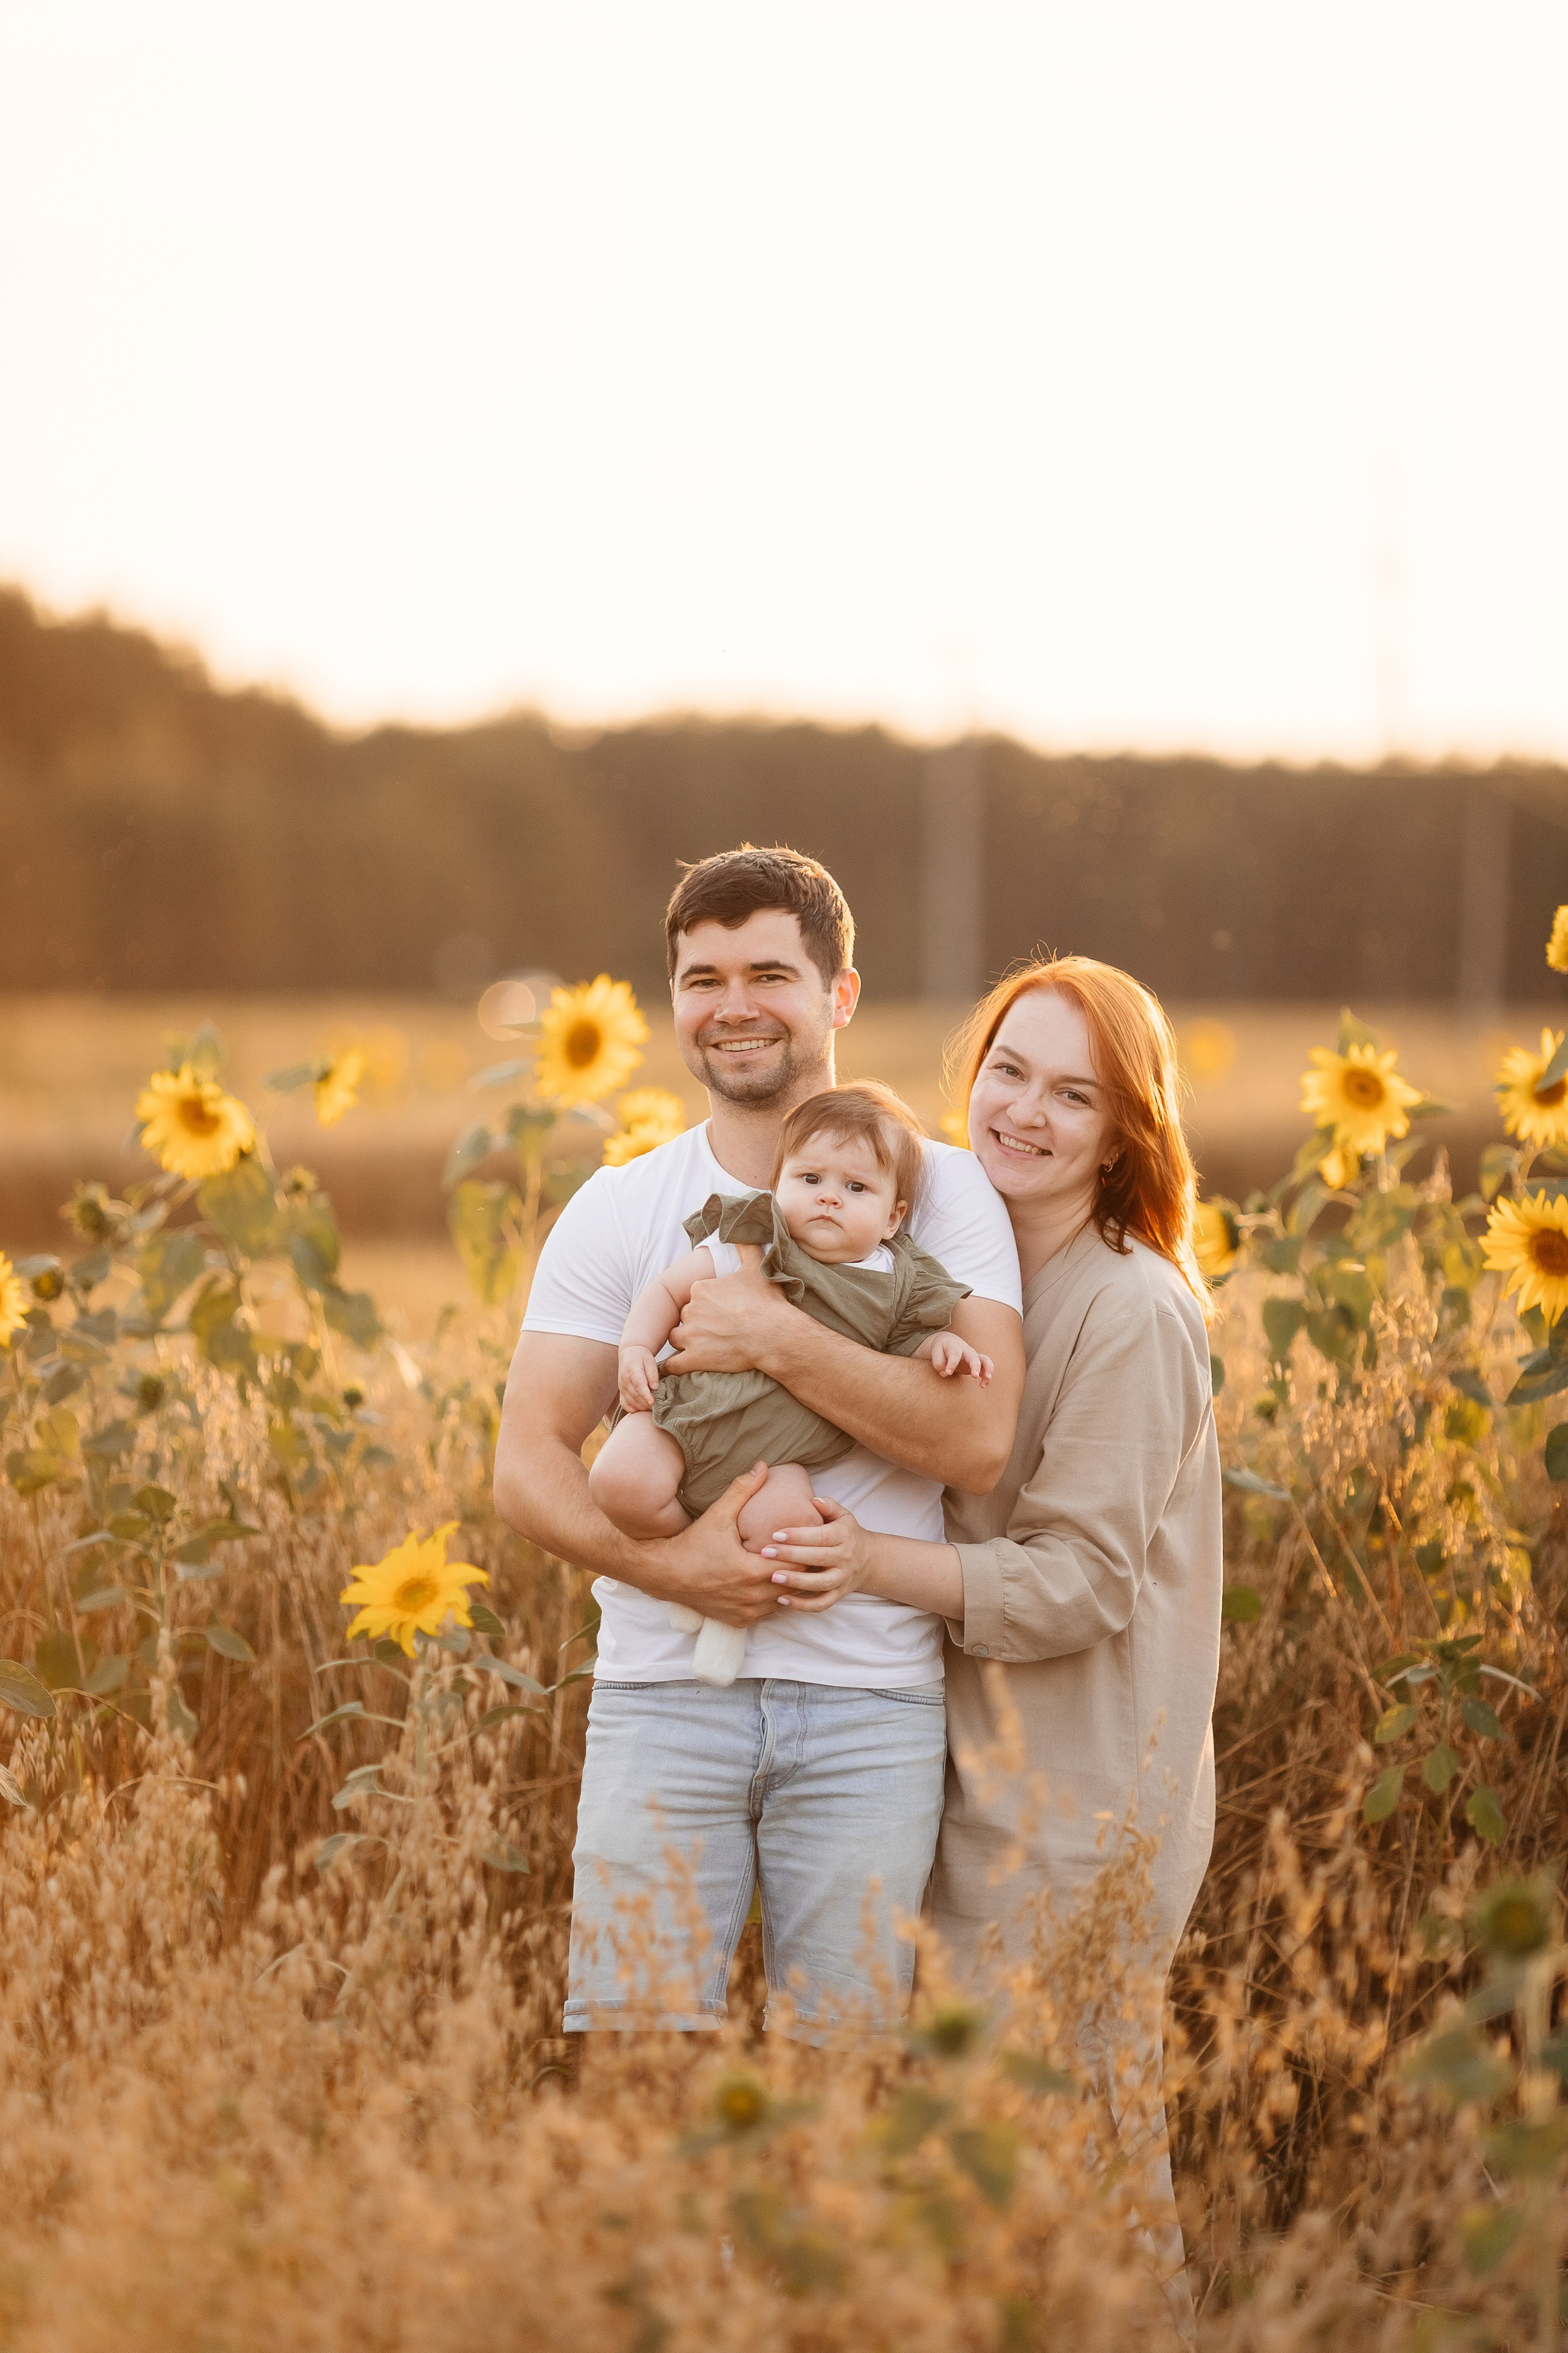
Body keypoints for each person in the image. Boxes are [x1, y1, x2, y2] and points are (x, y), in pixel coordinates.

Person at [756, 954, 1222, 2322]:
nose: (1023, 1111)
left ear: (1122, 1129)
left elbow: (1078, 1582)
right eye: (1008, 1073)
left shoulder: (1129, 1306)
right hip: (983, 1777)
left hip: (1082, 1806)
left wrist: (865, 1564)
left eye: (1071, 1094)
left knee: (1085, 2192)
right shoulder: (967, 1278)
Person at [492, 847, 1024, 2036]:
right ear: (672, 1001)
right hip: (657, 1697)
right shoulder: (623, 1205)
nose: (731, 1004)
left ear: (837, 994)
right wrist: (672, 1568)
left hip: (869, 1705)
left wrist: (772, 1335)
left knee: (833, 2082)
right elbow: (526, 1461)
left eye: (768, 973)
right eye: (701, 978)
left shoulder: (940, 1195)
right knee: (633, 2062)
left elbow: (976, 1438)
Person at [589, 1081, 993, 1687]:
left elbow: (911, 1349)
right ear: (778, 1188)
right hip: (681, 1419)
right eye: (810, 1180)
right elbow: (669, 1290)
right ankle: (691, 1553)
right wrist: (635, 1350)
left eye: (855, 1188)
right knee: (617, 1481)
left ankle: (728, 1625)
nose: (829, 1198)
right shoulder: (755, 1240)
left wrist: (947, 1347)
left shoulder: (898, 1282)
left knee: (789, 1539)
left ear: (892, 1215)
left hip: (774, 1465)